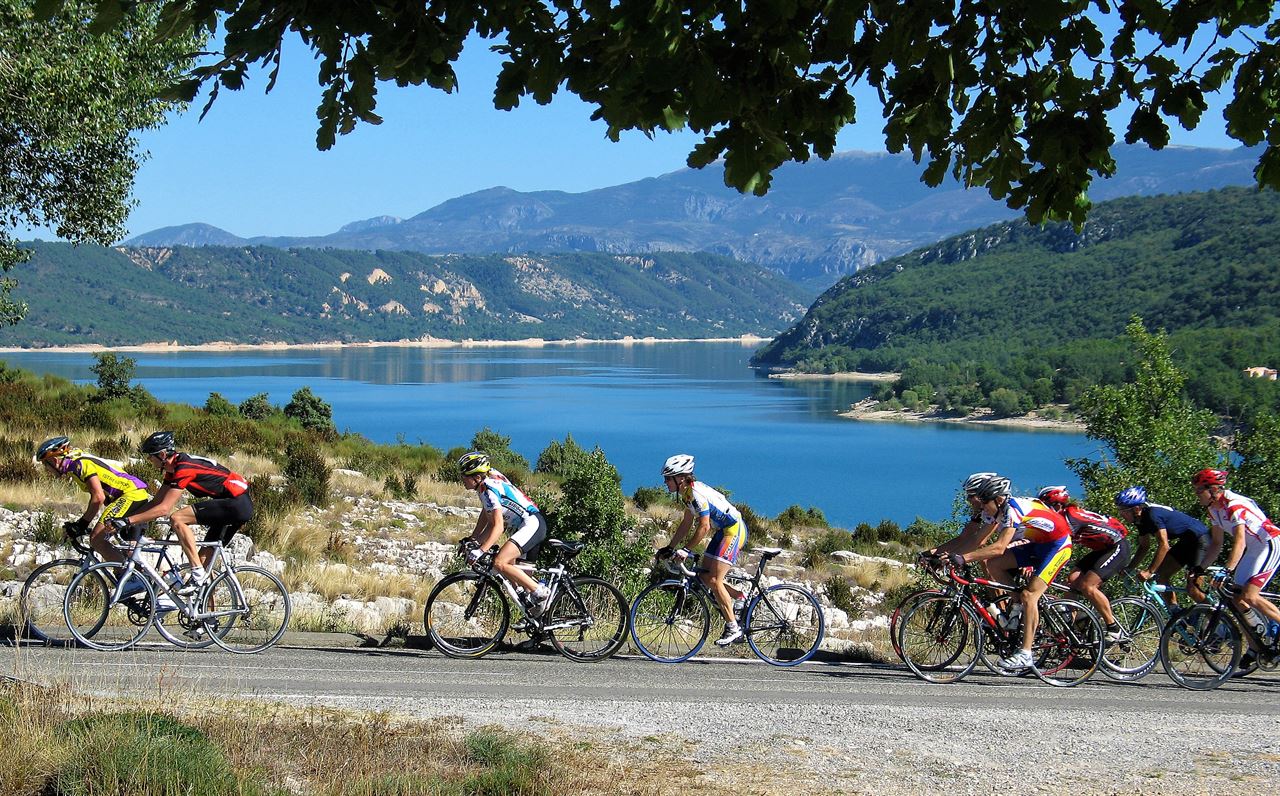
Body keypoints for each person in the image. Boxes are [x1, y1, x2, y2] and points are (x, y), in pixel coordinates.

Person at [946, 475, 1072, 671]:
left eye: (985, 502)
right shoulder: (996, 511)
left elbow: (999, 547)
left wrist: (964, 558)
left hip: (1058, 546)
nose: (982, 507)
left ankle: (1026, 654)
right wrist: (948, 556)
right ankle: (1017, 605)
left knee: (1030, 595)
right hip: (1037, 544)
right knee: (994, 565)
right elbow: (977, 541)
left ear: (998, 499)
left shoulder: (1013, 510)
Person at [119, 431, 253, 593]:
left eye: (151, 456)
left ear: (162, 455)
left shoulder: (184, 468)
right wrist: (128, 518)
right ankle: (205, 607)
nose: (149, 459)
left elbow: (164, 508)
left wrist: (128, 521)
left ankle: (197, 571)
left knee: (177, 518)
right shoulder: (173, 469)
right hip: (233, 504)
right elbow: (156, 502)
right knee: (204, 566)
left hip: (236, 503)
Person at [657, 454, 749, 646]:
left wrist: (686, 550)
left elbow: (704, 526)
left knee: (714, 580)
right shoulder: (687, 493)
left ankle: (734, 629)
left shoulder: (696, 494)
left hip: (734, 530)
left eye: (668, 478)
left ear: (680, 478)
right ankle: (739, 597)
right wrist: (670, 547)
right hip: (723, 531)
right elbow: (686, 523)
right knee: (705, 577)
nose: (665, 482)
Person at [1192, 468, 1280, 666]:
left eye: (1199, 490)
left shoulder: (1234, 505)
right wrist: (1200, 568)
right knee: (1234, 596)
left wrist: (1227, 570)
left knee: (1250, 595)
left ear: (1213, 489)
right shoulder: (1213, 509)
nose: (1197, 494)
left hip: (1270, 543)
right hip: (1254, 548)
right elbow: (1216, 544)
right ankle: (1256, 646)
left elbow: (1239, 542)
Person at [457, 451, 551, 616]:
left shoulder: (489, 490)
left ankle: (541, 591)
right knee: (524, 591)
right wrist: (473, 540)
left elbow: (498, 527)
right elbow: (488, 515)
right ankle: (536, 623)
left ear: (476, 477)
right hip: (525, 526)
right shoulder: (487, 482)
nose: (461, 479)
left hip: (532, 524)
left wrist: (480, 550)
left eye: (464, 476)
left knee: (499, 562)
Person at [1037, 486, 1132, 641]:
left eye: (1046, 506)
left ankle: (1113, 628)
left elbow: (1058, 545)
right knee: (1072, 580)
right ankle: (1076, 624)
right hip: (1102, 550)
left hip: (1117, 547)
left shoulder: (1070, 517)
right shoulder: (1064, 515)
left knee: (1088, 586)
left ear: (1057, 505)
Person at [36, 436, 151, 563]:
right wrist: (83, 524)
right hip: (136, 494)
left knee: (96, 539)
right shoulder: (77, 462)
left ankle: (125, 573)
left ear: (54, 460)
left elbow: (98, 498)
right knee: (130, 553)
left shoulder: (79, 465)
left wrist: (81, 524)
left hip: (130, 495)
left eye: (45, 464)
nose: (46, 470)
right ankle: (137, 574)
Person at [1114, 485, 1218, 606]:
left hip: (1201, 540)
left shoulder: (1153, 515)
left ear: (1136, 509)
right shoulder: (1139, 520)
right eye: (1120, 511)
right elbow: (1144, 547)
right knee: (1161, 576)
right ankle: (1175, 612)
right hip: (1187, 542)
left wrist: (1149, 571)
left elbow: (1164, 545)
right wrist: (1129, 568)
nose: (1121, 515)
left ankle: (1215, 615)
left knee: (1193, 589)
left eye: (1124, 511)